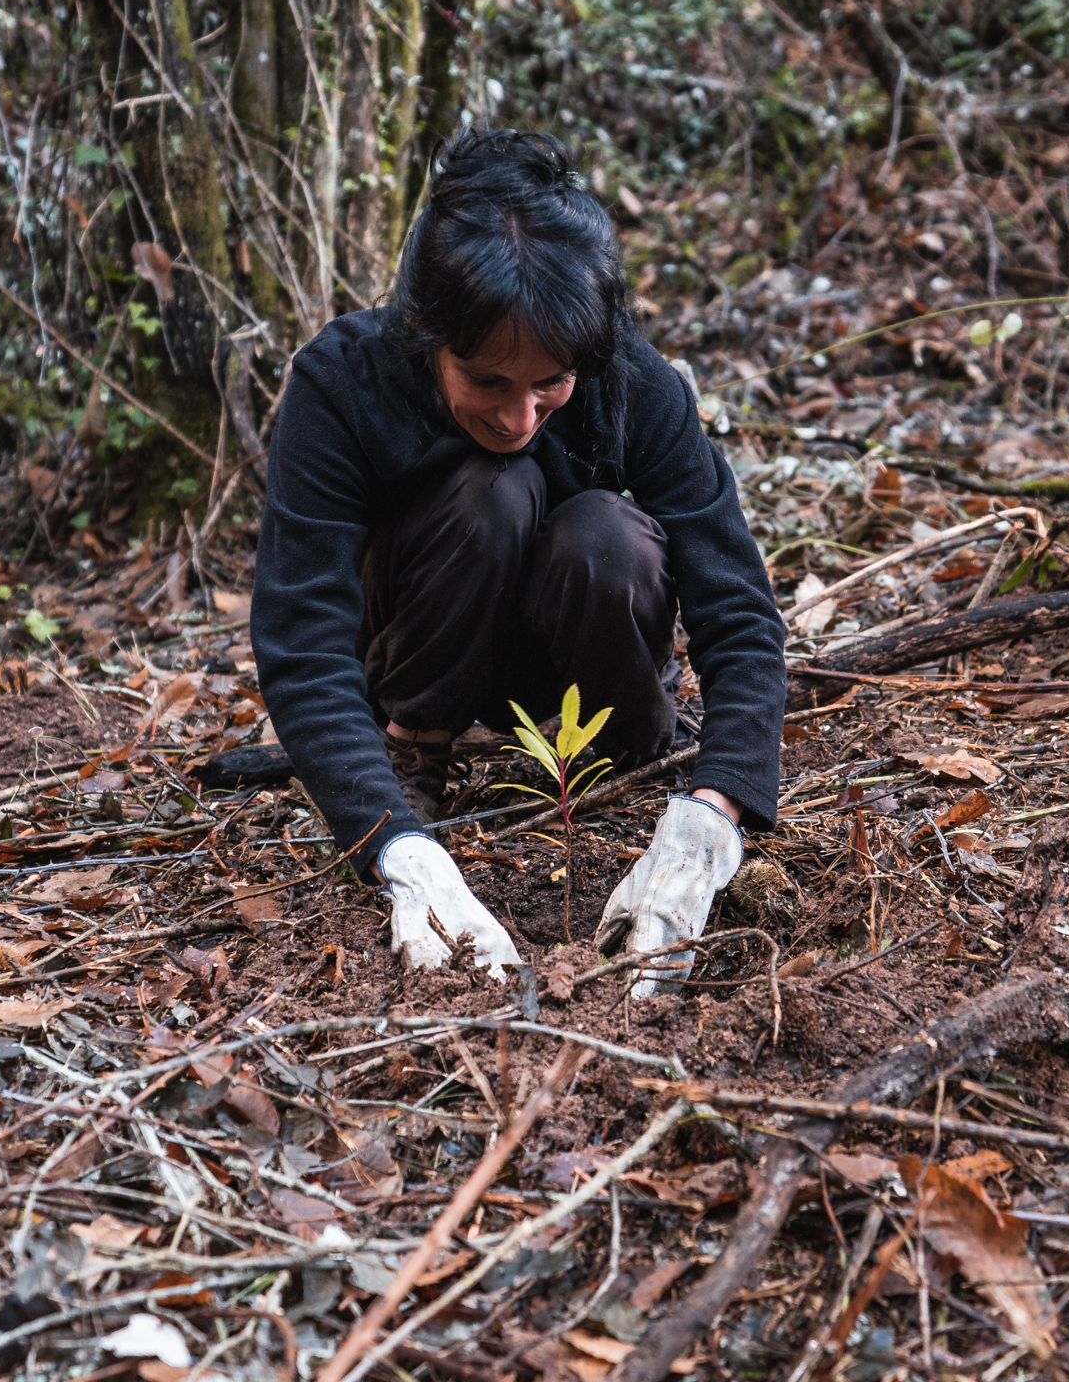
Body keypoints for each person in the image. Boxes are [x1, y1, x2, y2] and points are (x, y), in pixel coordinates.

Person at [252, 129, 786, 995]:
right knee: (488, 488)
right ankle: (414, 754)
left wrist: (712, 811)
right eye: (488, 382)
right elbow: (302, 635)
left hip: (585, 684)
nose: (520, 416)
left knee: (606, 534)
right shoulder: (342, 382)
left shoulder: (635, 385)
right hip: (420, 648)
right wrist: (392, 844)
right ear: (429, 336)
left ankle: (626, 759)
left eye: (550, 385)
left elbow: (736, 607)